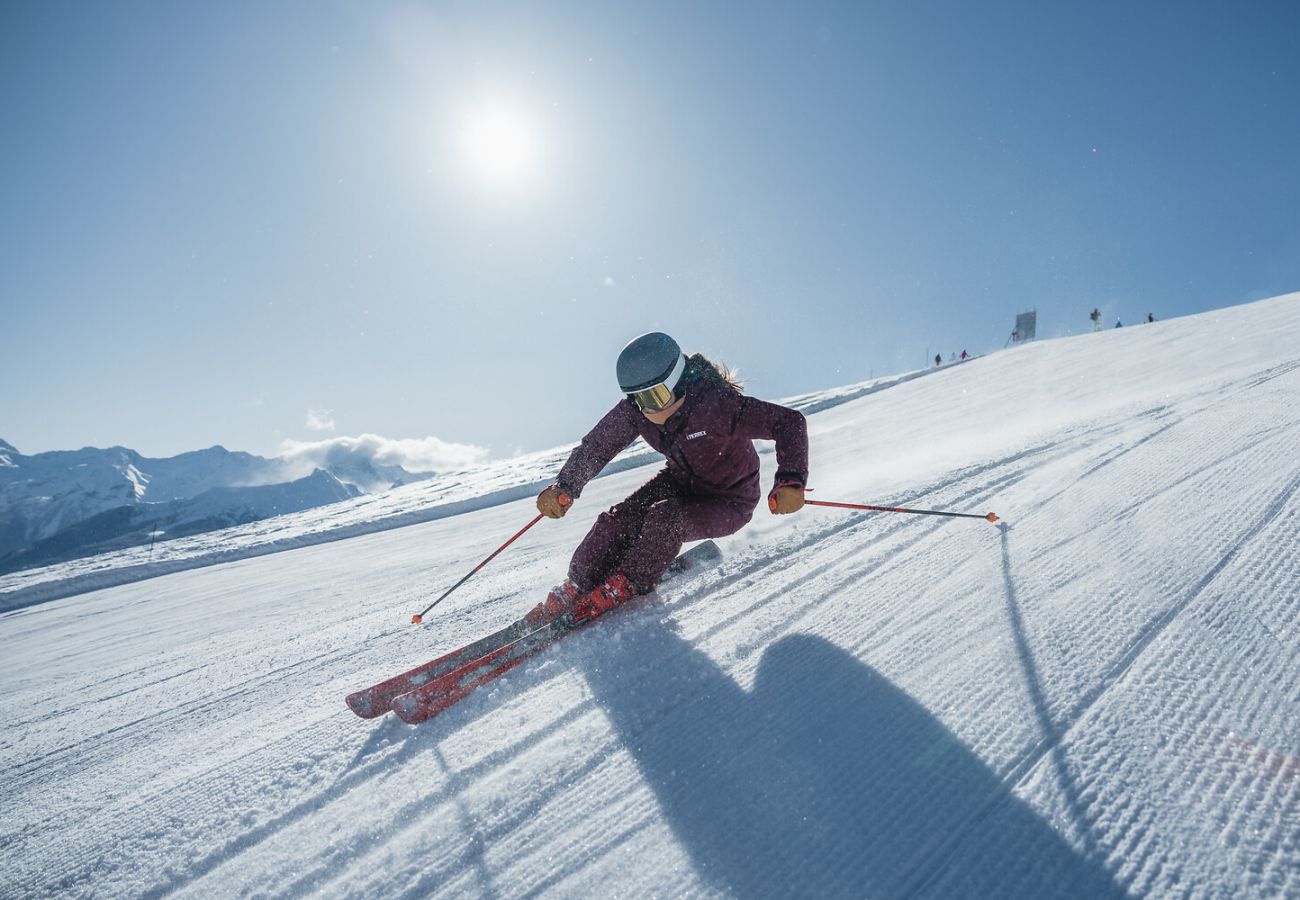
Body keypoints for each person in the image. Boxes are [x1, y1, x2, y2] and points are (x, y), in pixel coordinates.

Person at [526, 332, 809, 626]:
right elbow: (598, 446)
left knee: (665, 520)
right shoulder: (638, 412)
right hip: (680, 482)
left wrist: (791, 480)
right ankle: (576, 585)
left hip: (729, 502)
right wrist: (566, 486)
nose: (649, 409)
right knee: (617, 521)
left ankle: (625, 583)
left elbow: (787, 422)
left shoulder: (716, 406)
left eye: (656, 396)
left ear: (678, 381)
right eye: (638, 399)